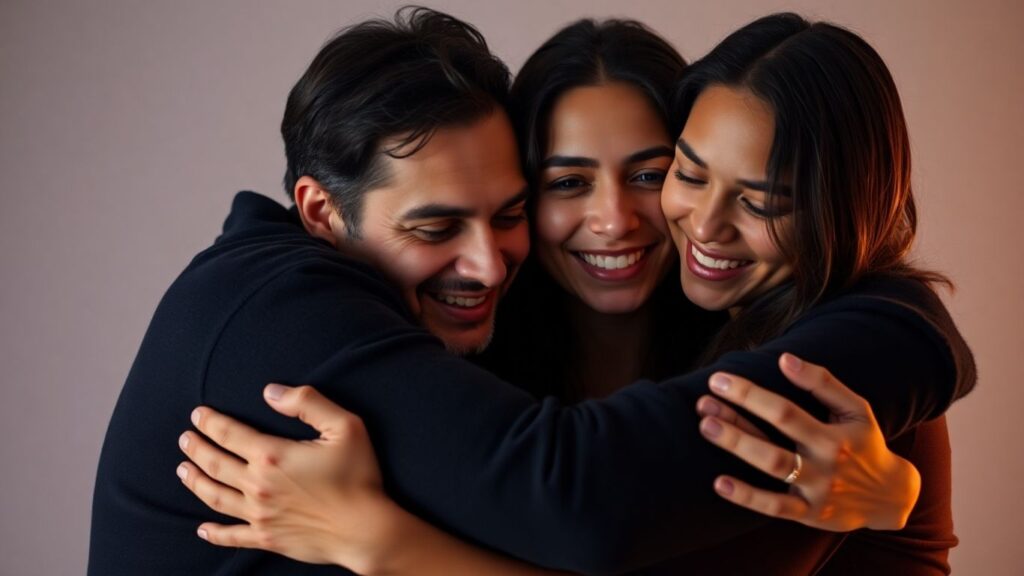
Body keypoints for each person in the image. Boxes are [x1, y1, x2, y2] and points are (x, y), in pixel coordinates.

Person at [172, 12, 975, 576]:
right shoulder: (468, 344)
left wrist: (377, 543)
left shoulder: (832, 379)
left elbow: (587, 500)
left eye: (649, 173)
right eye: (566, 182)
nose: (614, 219)